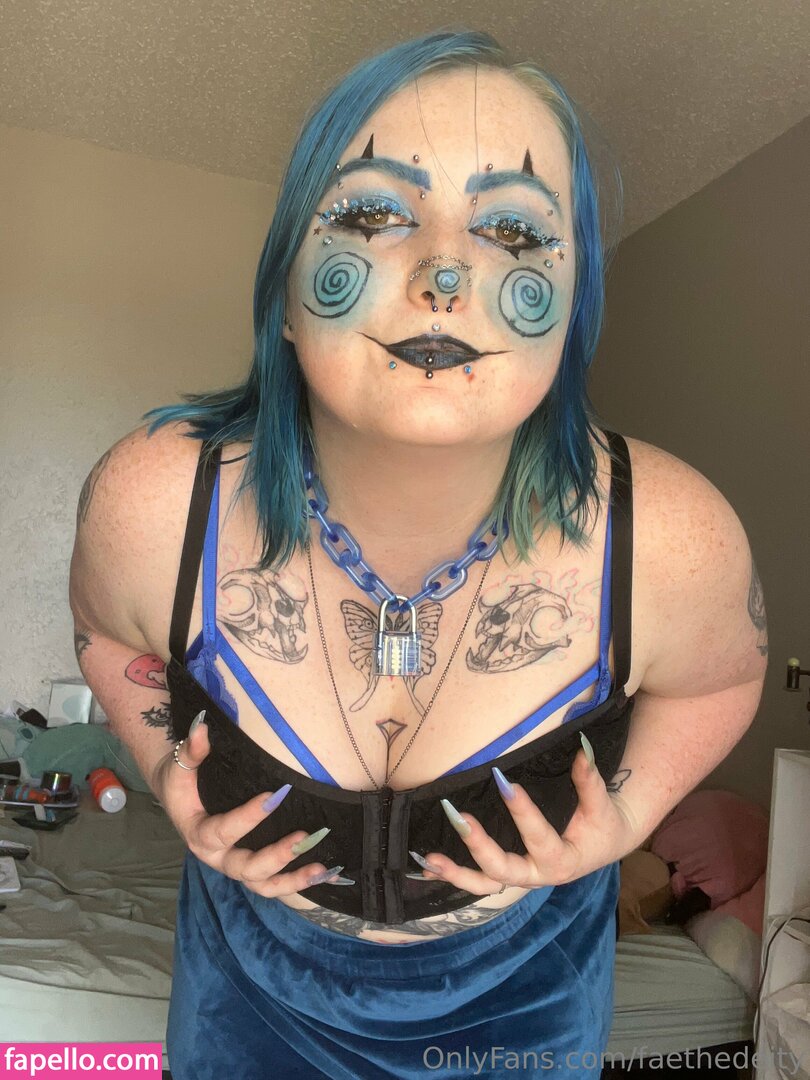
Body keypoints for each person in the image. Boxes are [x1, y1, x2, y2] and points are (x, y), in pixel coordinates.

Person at [68, 29, 768, 1079]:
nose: (444, 273)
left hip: (522, 1010)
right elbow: (102, 634)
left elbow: (724, 677)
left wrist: (629, 815)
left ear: (573, 308)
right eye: (370, 215)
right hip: (246, 999)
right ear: (285, 291)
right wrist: (167, 766)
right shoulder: (158, 503)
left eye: (512, 230)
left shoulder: (668, 534)